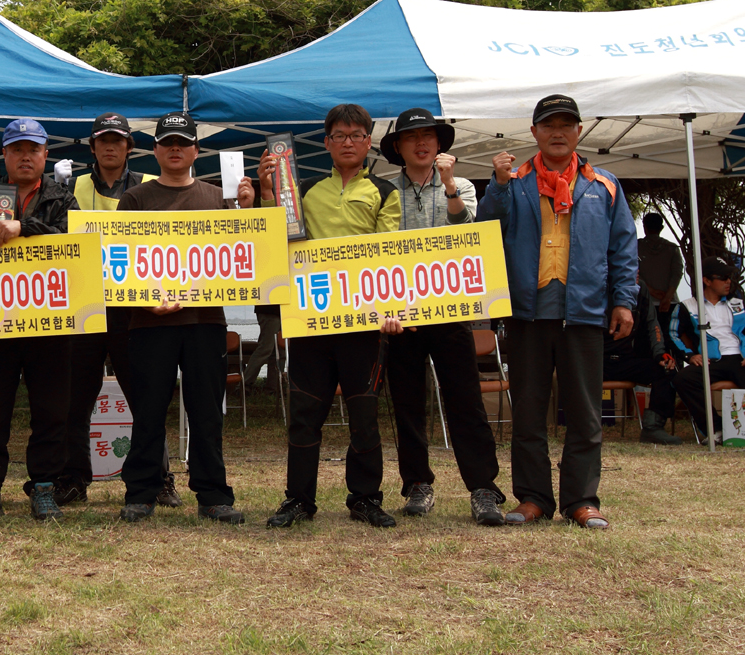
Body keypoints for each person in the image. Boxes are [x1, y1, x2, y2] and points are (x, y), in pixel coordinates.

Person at [476, 94, 637, 529]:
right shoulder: (515, 180)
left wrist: (624, 300)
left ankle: (582, 500)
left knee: (585, 411)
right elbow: (486, 228)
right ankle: (533, 499)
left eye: (567, 124)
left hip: (583, 311)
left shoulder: (603, 184)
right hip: (526, 313)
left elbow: (623, 246)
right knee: (528, 410)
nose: (558, 132)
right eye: (549, 125)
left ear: (580, 131)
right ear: (534, 133)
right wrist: (498, 183)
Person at [257, 103, 404, 530]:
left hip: (363, 322)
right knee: (305, 411)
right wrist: (268, 193)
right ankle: (298, 499)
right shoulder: (305, 192)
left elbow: (388, 253)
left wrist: (389, 309)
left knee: (363, 412)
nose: (347, 142)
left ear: (368, 142)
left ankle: (365, 497)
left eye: (356, 135)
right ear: (326, 143)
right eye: (338, 135)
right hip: (312, 318)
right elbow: (278, 239)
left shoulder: (384, 191)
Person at [117, 111, 256, 524]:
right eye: (167, 143)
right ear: (155, 150)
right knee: (148, 411)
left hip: (206, 322)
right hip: (148, 323)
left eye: (183, 142)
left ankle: (213, 494)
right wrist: (144, 302)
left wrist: (247, 213)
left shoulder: (219, 198)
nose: (175, 149)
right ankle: (141, 492)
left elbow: (244, 258)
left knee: (207, 411)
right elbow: (117, 261)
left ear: (196, 150)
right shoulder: (136, 200)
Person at [377, 108, 506, 526]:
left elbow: (470, 232)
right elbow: (376, 253)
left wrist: (449, 184)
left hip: (452, 312)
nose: (421, 143)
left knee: (465, 400)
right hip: (401, 315)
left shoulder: (463, 185)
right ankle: (417, 484)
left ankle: (484, 488)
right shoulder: (384, 192)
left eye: (429, 136)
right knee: (408, 402)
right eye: (412, 137)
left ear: (440, 144)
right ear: (397, 147)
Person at [56, 112, 181, 508]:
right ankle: (73, 478)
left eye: (118, 140)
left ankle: (157, 478)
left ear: (130, 146)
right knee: (75, 397)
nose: (110, 146)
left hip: (134, 309)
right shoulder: (68, 186)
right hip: (84, 304)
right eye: (103, 140)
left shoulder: (149, 186)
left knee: (146, 397)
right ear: (92, 147)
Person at [0, 118, 80, 522]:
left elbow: (74, 243)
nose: (25, 156)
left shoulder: (63, 198)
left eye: (33, 149)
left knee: (52, 410)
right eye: (16, 149)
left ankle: (44, 487)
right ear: (3, 155)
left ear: (46, 155)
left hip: (51, 323)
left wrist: (23, 227)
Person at [670, 256, 745, 442]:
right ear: (707, 281)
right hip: (711, 361)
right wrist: (689, 356)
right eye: (723, 277)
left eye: (730, 277)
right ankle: (716, 429)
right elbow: (672, 333)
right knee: (683, 379)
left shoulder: (739, 303)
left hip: (740, 358)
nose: (728, 281)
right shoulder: (687, 306)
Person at [603, 280, 681, 445]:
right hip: (595, 358)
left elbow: (653, 324)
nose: (634, 271)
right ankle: (583, 428)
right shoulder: (598, 281)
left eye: (637, 267)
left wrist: (660, 353)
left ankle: (653, 428)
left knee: (666, 369)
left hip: (626, 359)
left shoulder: (641, 288)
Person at [638, 212, 685, 355]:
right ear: (662, 227)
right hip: (669, 303)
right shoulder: (672, 248)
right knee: (672, 339)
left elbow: (633, 272)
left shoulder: (636, 246)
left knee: (646, 341)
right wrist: (668, 297)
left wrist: (651, 291)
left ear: (644, 227)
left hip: (646, 301)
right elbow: (677, 273)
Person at [240, 305, 285, 394]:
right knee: (266, 348)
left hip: (283, 310)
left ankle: (274, 388)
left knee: (280, 351)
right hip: (269, 308)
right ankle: (244, 384)